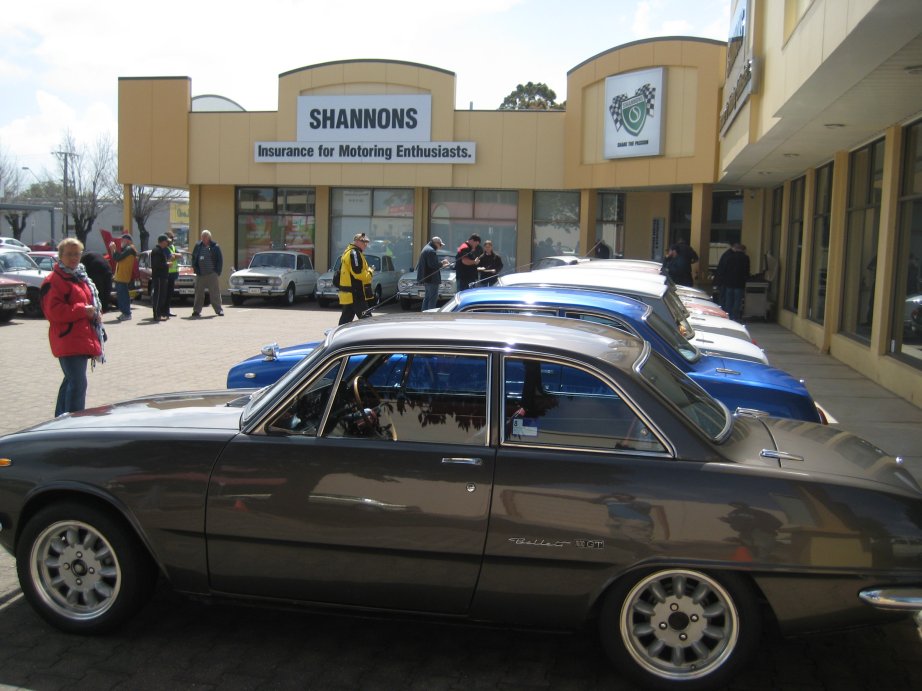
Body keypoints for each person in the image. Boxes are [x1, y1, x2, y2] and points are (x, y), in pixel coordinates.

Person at [40, 237, 105, 417]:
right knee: (78, 383)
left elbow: (89, 301)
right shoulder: (54, 280)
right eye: (69, 254)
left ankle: (61, 419)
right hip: (67, 339)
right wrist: (83, 311)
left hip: (81, 337)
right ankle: (74, 421)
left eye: (77, 254)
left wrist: (95, 312)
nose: (74, 258)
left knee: (71, 381)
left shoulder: (79, 276)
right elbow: (53, 312)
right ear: (60, 256)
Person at [338, 233, 374, 325]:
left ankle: (337, 337)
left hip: (351, 294)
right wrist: (370, 272)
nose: (365, 244)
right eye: (363, 242)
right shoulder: (354, 253)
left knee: (345, 322)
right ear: (357, 241)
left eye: (366, 242)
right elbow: (358, 273)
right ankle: (373, 338)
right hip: (356, 294)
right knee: (368, 321)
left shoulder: (351, 252)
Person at [191, 229, 224, 317]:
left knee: (215, 293)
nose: (203, 238)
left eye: (205, 236)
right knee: (199, 293)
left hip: (212, 274)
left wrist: (217, 272)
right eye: (202, 236)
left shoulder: (215, 246)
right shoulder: (198, 246)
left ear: (209, 237)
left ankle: (219, 310)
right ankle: (196, 311)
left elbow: (219, 260)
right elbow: (194, 258)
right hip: (200, 274)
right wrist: (195, 268)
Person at [109, 233, 137, 321]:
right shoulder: (127, 249)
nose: (121, 242)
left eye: (123, 240)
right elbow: (116, 258)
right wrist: (112, 250)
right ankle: (125, 313)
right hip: (121, 276)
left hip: (123, 277)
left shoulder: (129, 249)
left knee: (123, 296)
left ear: (128, 241)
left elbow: (118, 258)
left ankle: (127, 313)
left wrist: (113, 249)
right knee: (122, 296)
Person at [720, 243, 751, 321]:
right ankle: (735, 317)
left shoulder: (730, 257)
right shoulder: (745, 258)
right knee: (737, 300)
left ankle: (728, 315)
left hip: (729, 282)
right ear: (743, 250)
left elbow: (724, 269)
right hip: (739, 283)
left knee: (728, 300)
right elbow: (746, 271)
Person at [417, 236, 449, 310]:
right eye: (440, 245)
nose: (440, 247)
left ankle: (424, 313)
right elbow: (432, 265)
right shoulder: (431, 251)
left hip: (426, 278)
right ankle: (430, 315)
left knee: (427, 298)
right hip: (431, 279)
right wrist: (442, 263)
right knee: (432, 299)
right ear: (436, 243)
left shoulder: (426, 248)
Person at [151, 234, 172, 321]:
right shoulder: (157, 251)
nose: (167, 243)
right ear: (162, 242)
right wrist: (167, 264)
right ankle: (157, 315)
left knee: (162, 296)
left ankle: (159, 314)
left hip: (162, 277)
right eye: (166, 241)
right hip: (159, 277)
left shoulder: (161, 250)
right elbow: (156, 265)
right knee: (158, 296)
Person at [165, 230, 180, 317]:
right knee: (165, 294)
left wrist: (173, 255)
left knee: (170, 294)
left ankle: (167, 310)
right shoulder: (164, 247)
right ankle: (164, 311)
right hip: (166, 274)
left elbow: (179, 255)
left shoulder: (173, 247)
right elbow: (171, 258)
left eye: (172, 238)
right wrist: (173, 256)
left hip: (173, 274)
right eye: (170, 238)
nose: (172, 240)